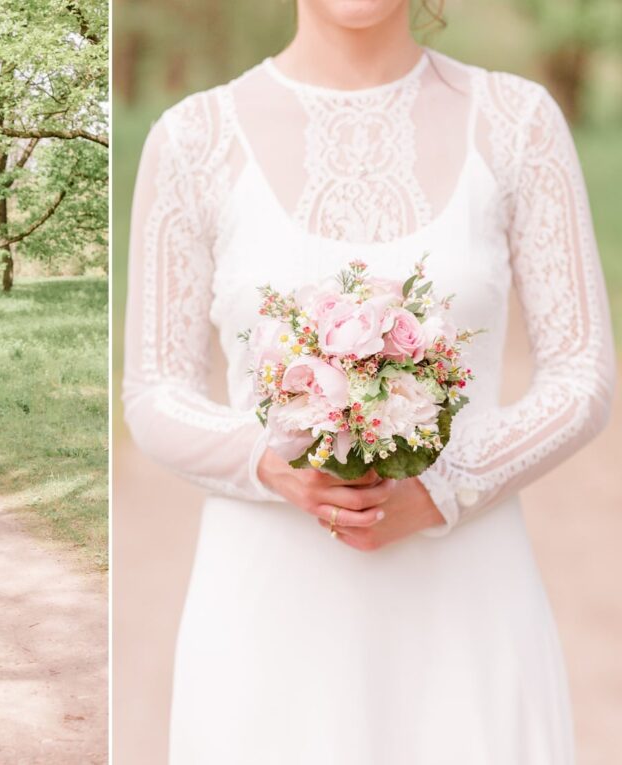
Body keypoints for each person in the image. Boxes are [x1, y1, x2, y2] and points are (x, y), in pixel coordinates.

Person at [121, 1, 616, 762]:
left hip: (469, 611)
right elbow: (154, 391)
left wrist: (443, 484)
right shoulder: (192, 140)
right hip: (266, 627)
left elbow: (582, 373)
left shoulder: (520, 121)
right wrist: (271, 462)